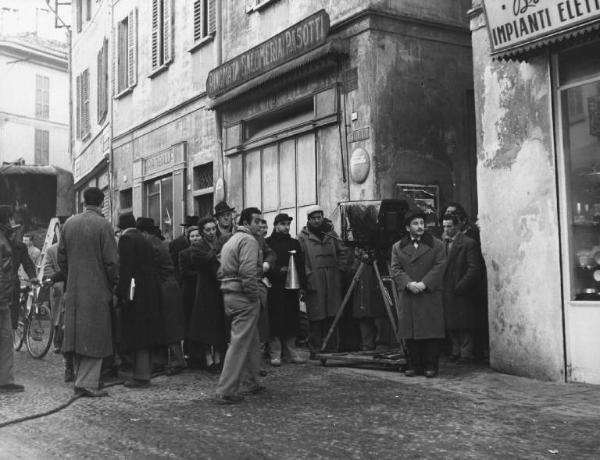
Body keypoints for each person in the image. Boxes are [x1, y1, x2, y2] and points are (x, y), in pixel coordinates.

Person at [58, 187, 119, 397]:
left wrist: (71, 277)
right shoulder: (104, 225)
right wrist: (114, 284)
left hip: (74, 289)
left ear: (84, 202)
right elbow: (112, 262)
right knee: (96, 335)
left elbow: (61, 259)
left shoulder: (69, 224)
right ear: (101, 203)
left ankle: (80, 377)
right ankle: (86, 383)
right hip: (97, 289)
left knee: (76, 333)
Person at [214, 207, 264, 404]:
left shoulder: (231, 240)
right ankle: (225, 390)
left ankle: (251, 381)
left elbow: (220, 271)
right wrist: (253, 295)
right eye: (257, 221)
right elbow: (247, 272)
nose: (260, 224)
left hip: (230, 294)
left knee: (250, 338)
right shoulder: (249, 241)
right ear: (246, 223)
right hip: (243, 296)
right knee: (240, 342)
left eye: (261, 221)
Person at [391, 209, 446, 378]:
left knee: (430, 332)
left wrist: (424, 283)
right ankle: (413, 364)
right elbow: (395, 268)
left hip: (428, 294)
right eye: (415, 223)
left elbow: (440, 266)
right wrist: (408, 283)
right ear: (408, 228)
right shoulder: (398, 247)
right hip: (409, 294)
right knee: (411, 332)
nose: (420, 226)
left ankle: (431, 365)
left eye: (422, 223)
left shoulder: (437, 245)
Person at [116, 214, 163, 388]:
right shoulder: (144, 240)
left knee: (138, 333)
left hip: (135, 293)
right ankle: (143, 372)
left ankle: (141, 376)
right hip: (149, 292)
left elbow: (125, 269)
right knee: (145, 332)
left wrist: (120, 292)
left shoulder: (126, 239)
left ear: (120, 226)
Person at [137, 217, 186, 376]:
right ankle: (163, 361)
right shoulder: (157, 241)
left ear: (143, 232)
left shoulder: (150, 244)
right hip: (168, 286)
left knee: (170, 326)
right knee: (166, 326)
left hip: (165, 287)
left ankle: (178, 361)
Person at [298, 205, 347, 356]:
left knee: (333, 315)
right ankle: (316, 349)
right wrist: (306, 277)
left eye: (319, 217)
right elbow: (300, 260)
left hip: (332, 279)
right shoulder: (303, 237)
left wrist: (340, 269)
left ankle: (332, 349)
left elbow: (343, 251)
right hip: (314, 279)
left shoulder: (331, 233)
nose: (317, 221)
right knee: (316, 316)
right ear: (309, 220)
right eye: (313, 218)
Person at [183, 217, 227, 373]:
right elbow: (204, 260)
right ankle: (209, 359)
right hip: (206, 289)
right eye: (207, 230)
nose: (211, 232)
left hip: (220, 287)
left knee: (220, 324)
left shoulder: (221, 242)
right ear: (202, 232)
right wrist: (216, 251)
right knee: (207, 325)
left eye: (213, 229)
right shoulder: (198, 246)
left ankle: (218, 357)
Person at [265, 213, 307, 366]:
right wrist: (277, 271)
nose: (286, 227)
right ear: (275, 225)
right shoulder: (267, 243)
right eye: (282, 224)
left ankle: (291, 351)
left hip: (292, 289)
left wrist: (302, 285)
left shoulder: (295, 243)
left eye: (288, 224)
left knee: (292, 318)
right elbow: (264, 265)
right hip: (274, 287)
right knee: (275, 319)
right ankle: (275, 353)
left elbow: (301, 265)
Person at [442, 214, 483, 363]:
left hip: (461, 290)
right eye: (444, 226)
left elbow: (474, 268)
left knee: (464, 324)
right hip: (447, 289)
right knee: (451, 324)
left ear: (457, 226)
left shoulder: (468, 243)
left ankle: (466, 353)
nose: (447, 229)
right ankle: (455, 350)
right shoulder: (442, 243)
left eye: (450, 226)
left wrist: (461, 285)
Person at [0, 205, 24, 393]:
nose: (13, 222)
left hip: (3, 298)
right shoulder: (3, 240)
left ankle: (6, 380)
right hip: (1, 299)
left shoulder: (5, 238)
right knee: (6, 338)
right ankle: (5, 381)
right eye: (11, 218)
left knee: (6, 338)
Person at [178, 225, 204, 369]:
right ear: (188, 238)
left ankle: (202, 354)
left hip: (203, 291)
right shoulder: (183, 254)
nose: (195, 238)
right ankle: (190, 354)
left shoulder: (206, 250)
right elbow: (183, 273)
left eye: (197, 235)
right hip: (190, 291)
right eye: (192, 236)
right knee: (190, 322)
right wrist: (200, 273)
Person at [169, 215, 199, 283]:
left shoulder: (203, 243)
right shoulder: (176, 243)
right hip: (183, 281)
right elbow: (173, 264)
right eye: (188, 227)